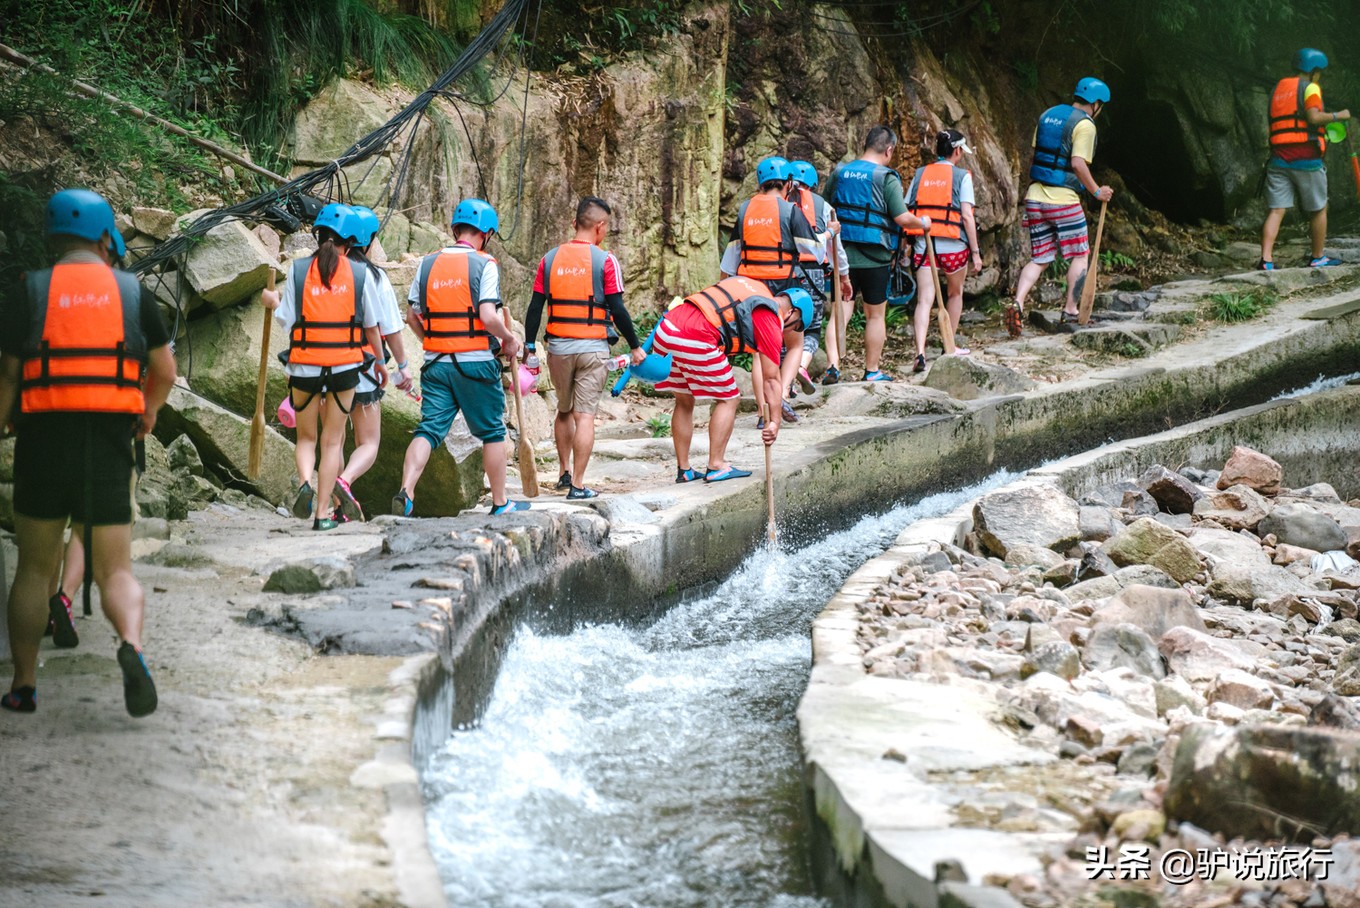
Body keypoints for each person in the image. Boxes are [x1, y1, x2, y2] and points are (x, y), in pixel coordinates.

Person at [0, 188, 176, 716]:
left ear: (53, 238)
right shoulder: (131, 293)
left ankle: (25, 685)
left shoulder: (28, 291)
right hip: (109, 438)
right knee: (116, 570)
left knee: (34, 569)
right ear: (106, 237)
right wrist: (146, 413)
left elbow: (8, 376)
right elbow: (164, 372)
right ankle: (131, 645)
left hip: (42, 436)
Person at [392, 199, 529, 517]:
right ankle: (500, 503)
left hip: (436, 364)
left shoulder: (427, 263)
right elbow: (488, 315)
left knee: (428, 430)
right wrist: (509, 340)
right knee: (493, 432)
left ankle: (407, 490)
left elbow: (412, 315)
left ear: (456, 229)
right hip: (475, 363)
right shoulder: (485, 263)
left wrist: (433, 342)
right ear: (487, 233)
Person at [261, 202, 387, 531]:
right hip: (346, 367)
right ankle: (321, 515)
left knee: (306, 439)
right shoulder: (361, 274)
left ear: (318, 236)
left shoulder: (300, 271)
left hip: (304, 366)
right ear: (351, 241)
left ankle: (305, 482)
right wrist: (383, 364)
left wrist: (272, 302)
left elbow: (286, 320)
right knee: (332, 442)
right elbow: (372, 327)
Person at [522, 197, 645, 500]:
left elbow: (535, 307)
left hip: (559, 348)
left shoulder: (549, 259)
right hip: (593, 349)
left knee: (564, 411)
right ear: (600, 227)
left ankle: (563, 473)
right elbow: (617, 308)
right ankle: (578, 484)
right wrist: (635, 346)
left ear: (575, 222)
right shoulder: (605, 260)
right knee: (585, 416)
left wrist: (528, 345)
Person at [652, 276, 814, 483]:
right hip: (695, 336)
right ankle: (716, 466)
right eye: (796, 327)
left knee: (684, 400)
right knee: (729, 399)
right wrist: (774, 421)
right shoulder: (769, 316)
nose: (789, 332)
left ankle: (685, 470)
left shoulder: (755, 288)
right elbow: (771, 379)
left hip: (666, 329)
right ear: (793, 313)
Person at [824, 126, 932, 383]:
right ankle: (871, 371)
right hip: (876, 258)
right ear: (889, 149)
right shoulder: (886, 178)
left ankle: (833, 365)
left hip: (842, 256)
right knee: (875, 315)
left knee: (841, 310)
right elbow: (901, 216)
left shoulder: (839, 172)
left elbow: (825, 208)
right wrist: (923, 222)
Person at [1010, 78, 1114, 328]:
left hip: (1035, 197)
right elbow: (1078, 164)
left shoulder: (1047, 115)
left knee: (1040, 258)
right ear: (1096, 103)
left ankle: (1018, 303)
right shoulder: (1086, 125)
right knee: (1080, 254)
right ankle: (1069, 309)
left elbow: (1035, 155)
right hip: (1063, 199)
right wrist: (1097, 191)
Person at [332, 205, 414, 520]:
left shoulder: (321, 273)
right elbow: (390, 328)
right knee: (368, 443)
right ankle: (345, 481)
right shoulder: (373, 276)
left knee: (333, 442)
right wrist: (402, 367)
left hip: (324, 367)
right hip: (364, 369)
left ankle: (338, 511)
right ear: (367, 241)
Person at [1259, 48, 1351, 270]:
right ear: (1314, 71)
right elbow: (1313, 117)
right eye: (1320, 72)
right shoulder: (1311, 88)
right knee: (1318, 208)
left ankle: (1266, 260)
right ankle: (1318, 257)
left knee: (1276, 210)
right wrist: (1340, 115)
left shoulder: (1278, 88)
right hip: (1306, 158)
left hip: (1278, 158)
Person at [905, 129, 984, 372]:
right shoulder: (962, 176)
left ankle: (919, 352)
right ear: (957, 150)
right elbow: (968, 217)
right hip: (953, 247)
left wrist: (906, 245)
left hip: (924, 244)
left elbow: (907, 210)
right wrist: (976, 252)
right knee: (955, 294)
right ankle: (948, 347)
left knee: (925, 299)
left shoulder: (920, 174)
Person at [720, 156, 823, 296]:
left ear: (762, 184)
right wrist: (829, 233)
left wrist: (722, 288)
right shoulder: (790, 211)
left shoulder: (745, 209)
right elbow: (815, 251)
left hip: (749, 283)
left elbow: (730, 258)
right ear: (788, 184)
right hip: (783, 284)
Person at [790, 160, 851, 393]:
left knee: (786, 327)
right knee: (811, 328)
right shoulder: (823, 206)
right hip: (813, 275)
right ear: (813, 185)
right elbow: (836, 250)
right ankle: (801, 367)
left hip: (784, 272)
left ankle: (786, 382)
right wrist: (844, 277)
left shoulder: (780, 202)